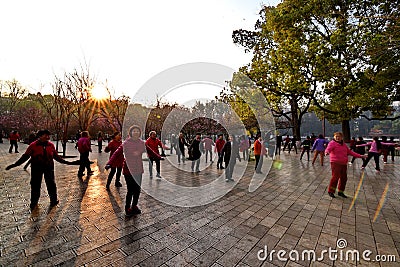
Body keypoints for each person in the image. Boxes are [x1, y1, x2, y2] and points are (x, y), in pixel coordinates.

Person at [5, 130, 79, 210]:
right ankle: (34, 203)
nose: (47, 137)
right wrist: (15, 165)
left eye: (48, 135)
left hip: (49, 168)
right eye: (45, 135)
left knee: (51, 184)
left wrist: (68, 163)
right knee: (35, 185)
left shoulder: (51, 145)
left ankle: (53, 200)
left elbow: (56, 157)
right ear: (39, 136)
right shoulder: (33, 145)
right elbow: (25, 157)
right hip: (36, 168)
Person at [106, 125, 147, 216]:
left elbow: (149, 150)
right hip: (128, 170)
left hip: (138, 169)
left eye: (137, 131)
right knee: (130, 190)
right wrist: (109, 163)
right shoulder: (126, 143)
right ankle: (127, 207)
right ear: (130, 133)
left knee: (137, 189)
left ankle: (134, 206)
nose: (136, 132)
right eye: (134, 131)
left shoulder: (141, 143)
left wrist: (158, 156)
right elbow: (116, 153)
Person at [325, 132, 366, 198]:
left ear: (342, 137)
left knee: (344, 178)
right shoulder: (332, 143)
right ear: (334, 137)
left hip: (343, 163)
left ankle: (341, 192)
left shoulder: (343, 144)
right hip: (335, 163)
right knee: (335, 177)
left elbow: (350, 152)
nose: (338, 138)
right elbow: (328, 149)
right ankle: (331, 191)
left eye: (339, 136)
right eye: (336, 136)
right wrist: (326, 152)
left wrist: (361, 156)